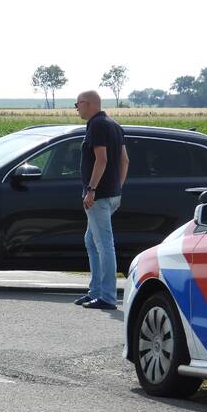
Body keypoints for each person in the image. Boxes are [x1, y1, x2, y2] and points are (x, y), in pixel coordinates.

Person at [74, 90, 129, 310]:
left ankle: (106, 296)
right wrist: (118, 187)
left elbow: (102, 159)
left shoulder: (96, 125)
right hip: (112, 194)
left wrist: (91, 189)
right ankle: (95, 290)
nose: (76, 108)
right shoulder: (114, 125)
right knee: (91, 240)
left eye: (77, 104)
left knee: (104, 245)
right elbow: (125, 161)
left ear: (87, 103)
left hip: (99, 196)